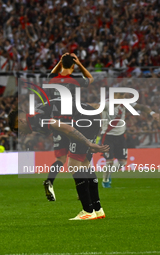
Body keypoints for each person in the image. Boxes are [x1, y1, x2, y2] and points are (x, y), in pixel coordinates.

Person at [8, 108, 109, 220]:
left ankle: (88, 211)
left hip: (83, 119)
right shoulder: (38, 117)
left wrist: (88, 143)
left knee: (73, 165)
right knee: (85, 165)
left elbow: (67, 128)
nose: (20, 133)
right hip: (91, 117)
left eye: (18, 129)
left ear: (21, 120)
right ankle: (98, 210)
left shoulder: (37, 120)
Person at [42, 53, 93, 202]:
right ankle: (83, 190)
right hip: (73, 123)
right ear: (73, 65)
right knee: (80, 158)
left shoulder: (52, 79)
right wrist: (80, 65)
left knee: (61, 158)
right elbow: (90, 78)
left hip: (56, 123)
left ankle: (50, 181)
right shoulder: (75, 79)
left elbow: (53, 72)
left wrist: (60, 62)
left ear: (60, 64)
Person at [91, 92, 160, 188]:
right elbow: (95, 106)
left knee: (122, 162)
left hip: (120, 136)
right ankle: (105, 182)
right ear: (114, 96)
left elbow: (141, 107)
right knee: (109, 161)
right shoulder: (106, 104)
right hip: (107, 136)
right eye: (120, 96)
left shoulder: (125, 103)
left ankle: (108, 174)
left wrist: (152, 113)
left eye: (123, 96)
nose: (122, 98)